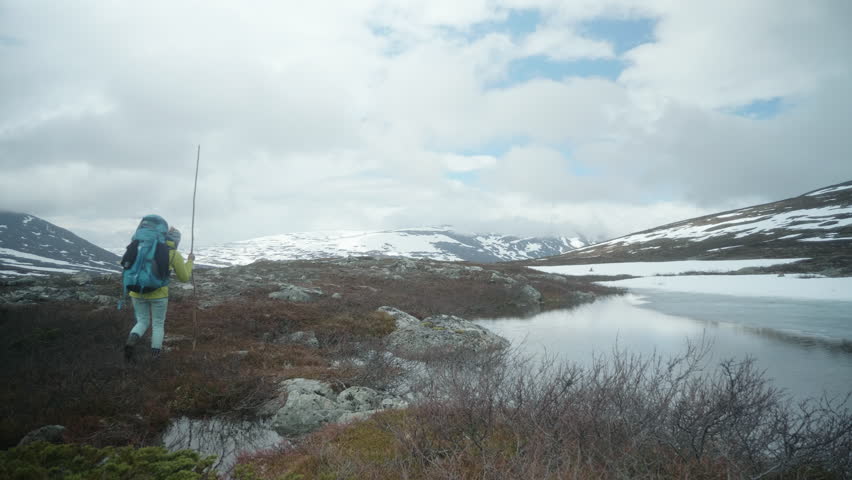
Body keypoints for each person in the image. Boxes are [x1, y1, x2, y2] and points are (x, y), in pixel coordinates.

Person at [124, 226, 194, 361]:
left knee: (142, 321)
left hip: (137, 292)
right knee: (158, 324)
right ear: (176, 241)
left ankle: (131, 340)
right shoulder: (173, 254)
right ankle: (155, 356)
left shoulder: (143, 248)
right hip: (159, 294)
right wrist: (190, 261)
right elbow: (184, 277)